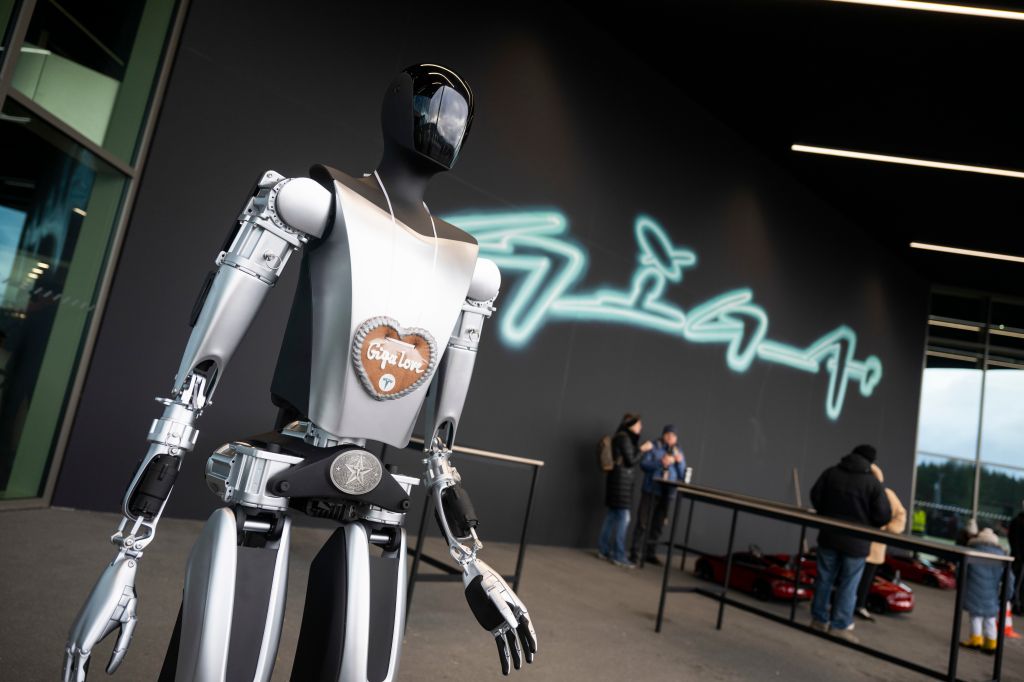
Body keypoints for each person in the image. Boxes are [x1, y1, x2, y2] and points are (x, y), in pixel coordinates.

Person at [809, 444, 892, 643]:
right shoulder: (872, 483)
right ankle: (839, 625)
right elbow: (883, 516)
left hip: (829, 535)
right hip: (857, 543)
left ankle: (818, 620)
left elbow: (815, 496)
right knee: (849, 583)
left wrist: (826, 515)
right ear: (871, 462)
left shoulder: (831, 473)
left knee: (824, 578)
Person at [597, 413, 652, 568]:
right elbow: (631, 460)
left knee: (612, 516)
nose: (641, 427)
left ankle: (603, 549)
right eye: (639, 424)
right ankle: (619, 555)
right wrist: (643, 449)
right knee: (624, 518)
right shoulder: (624, 438)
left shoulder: (620, 437)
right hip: (621, 483)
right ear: (631, 425)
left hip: (617, 481)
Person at [854, 463, 906, 621]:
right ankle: (847, 605)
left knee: (866, 578)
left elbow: (900, 514)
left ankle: (859, 605)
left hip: (874, 547)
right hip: (855, 544)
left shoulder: (887, 494)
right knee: (850, 577)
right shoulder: (860, 491)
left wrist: (888, 529)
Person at [629, 424, 686, 565]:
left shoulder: (679, 451)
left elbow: (683, 475)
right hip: (651, 490)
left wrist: (679, 462)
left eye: (673, 435)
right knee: (642, 523)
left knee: (658, 526)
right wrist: (660, 462)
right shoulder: (653, 446)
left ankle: (650, 553)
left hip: (667, 493)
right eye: (668, 434)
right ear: (663, 434)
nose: (670, 437)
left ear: (676, 438)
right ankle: (634, 553)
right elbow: (643, 465)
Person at [961, 527, 1016, 653]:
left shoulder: (972, 551)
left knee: (975, 616)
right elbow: (1010, 578)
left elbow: (961, 570)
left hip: (973, 590)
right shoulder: (1001, 556)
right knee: (990, 618)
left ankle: (976, 640)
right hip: (992, 593)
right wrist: (1007, 595)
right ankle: (991, 643)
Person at [1009, 501, 1024, 615]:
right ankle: (1016, 604)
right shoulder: (1017, 522)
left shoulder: (1015, 521)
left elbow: (1012, 539)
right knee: (1017, 582)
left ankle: (1015, 603)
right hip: (1018, 558)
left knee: (1016, 582)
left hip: (1016, 557)